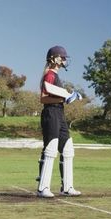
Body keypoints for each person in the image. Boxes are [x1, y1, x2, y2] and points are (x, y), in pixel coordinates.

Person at [36, 45, 82, 198]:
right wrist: (66, 95)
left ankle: (67, 187)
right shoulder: (49, 74)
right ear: (54, 59)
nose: (64, 60)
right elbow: (44, 95)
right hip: (51, 113)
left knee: (68, 149)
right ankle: (43, 188)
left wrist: (68, 97)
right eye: (62, 57)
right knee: (51, 149)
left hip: (59, 112)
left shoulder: (55, 75)